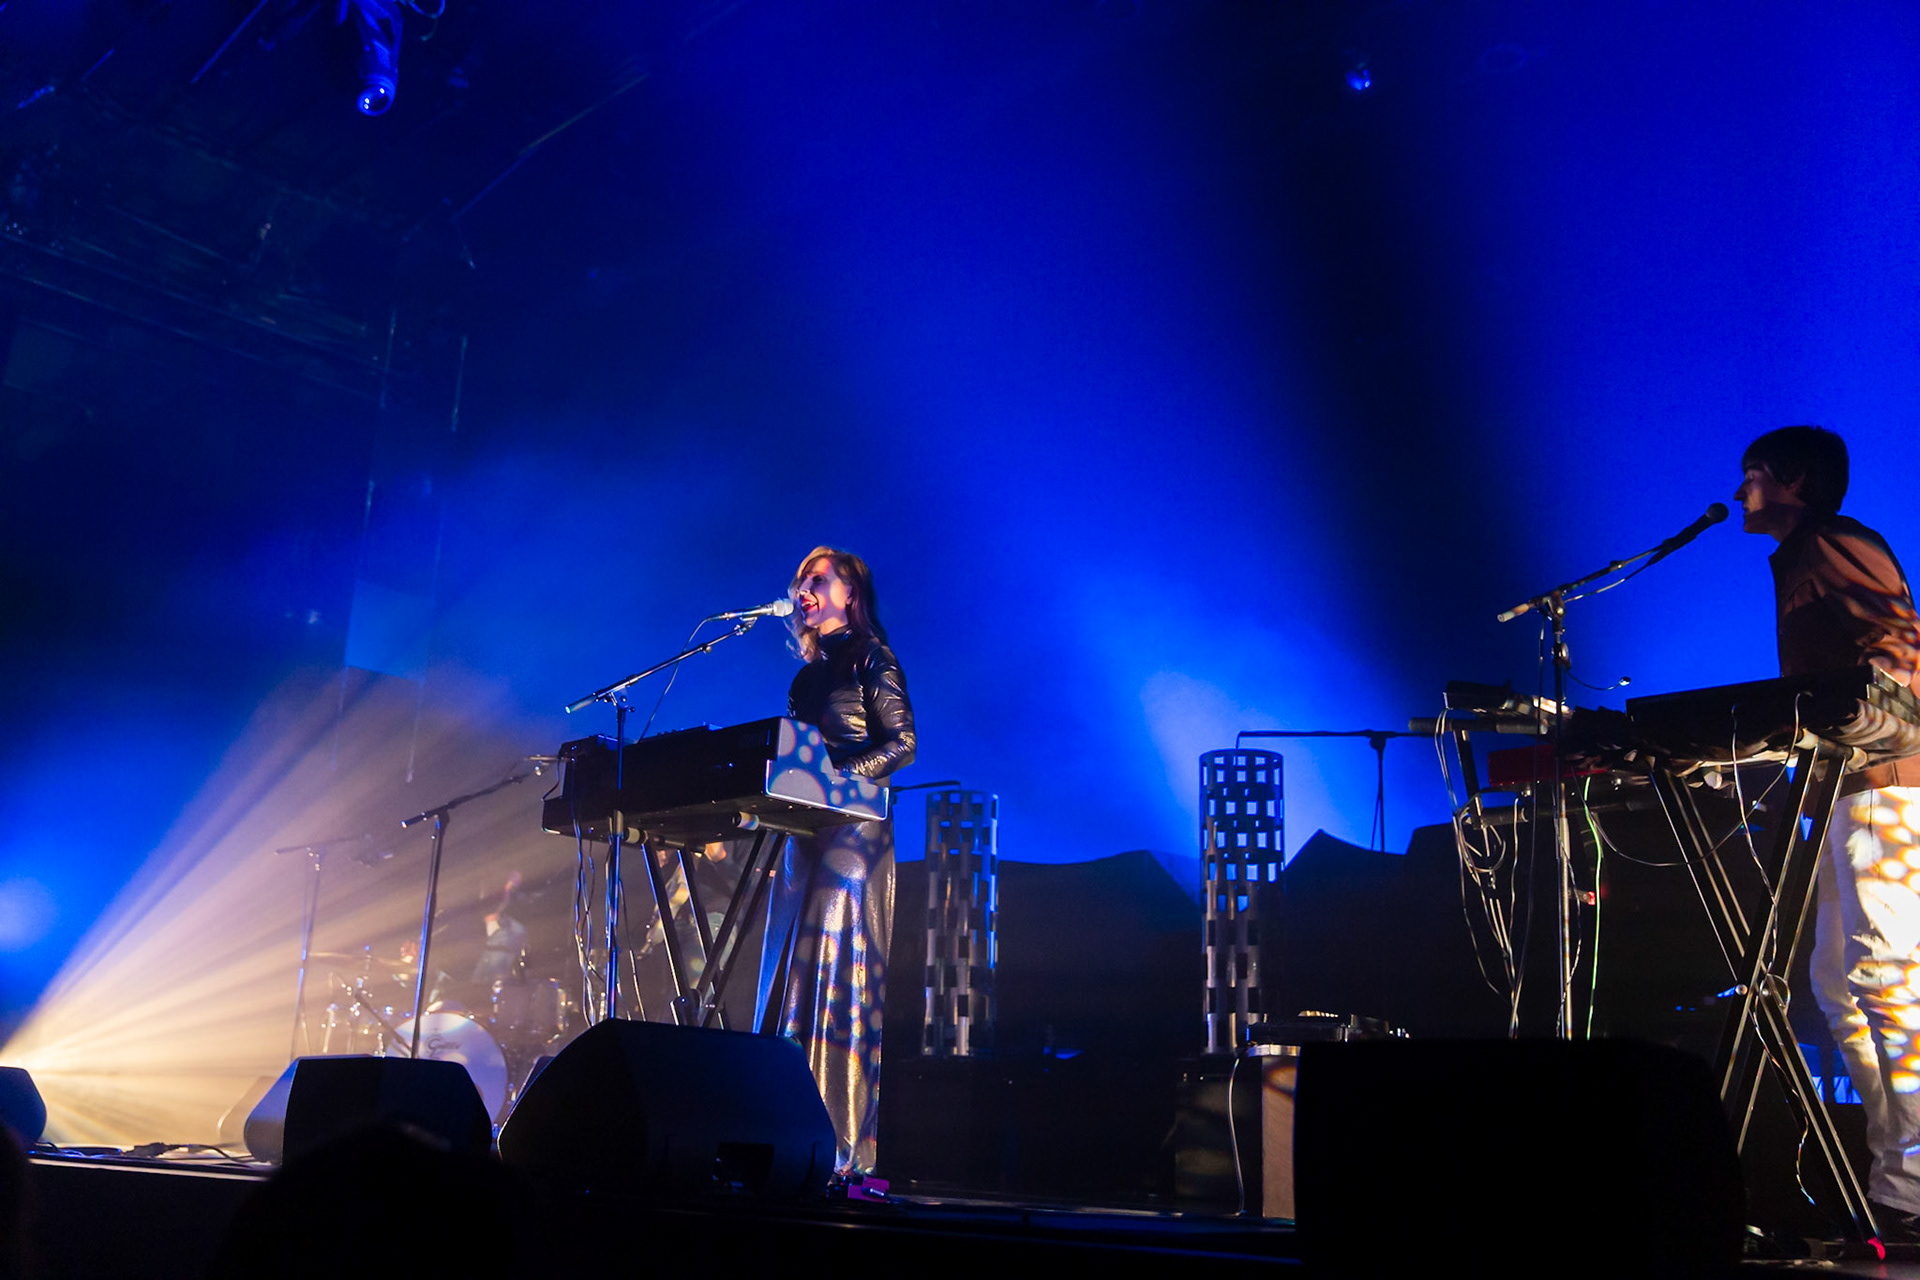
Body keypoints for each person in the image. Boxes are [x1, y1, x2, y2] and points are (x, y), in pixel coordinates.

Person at [1736, 425, 1920, 1231]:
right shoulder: (1804, 554)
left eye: (1753, 475)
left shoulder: (1835, 542)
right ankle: (1897, 1178)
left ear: (1794, 483)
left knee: (1886, 978)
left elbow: (1897, 650)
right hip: (1847, 788)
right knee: (1836, 986)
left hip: (1883, 784)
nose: (1741, 489)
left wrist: (1848, 723)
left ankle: (1911, 1185)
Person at [754, 546, 915, 1179]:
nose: (804, 588)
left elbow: (902, 742)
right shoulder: (805, 677)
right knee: (787, 974)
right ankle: (784, 1130)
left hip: (855, 835)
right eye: (800, 581)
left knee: (836, 976)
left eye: (818, 579)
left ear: (850, 593)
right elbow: (792, 757)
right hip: (804, 831)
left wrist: (840, 781)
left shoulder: (873, 657)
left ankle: (841, 1150)